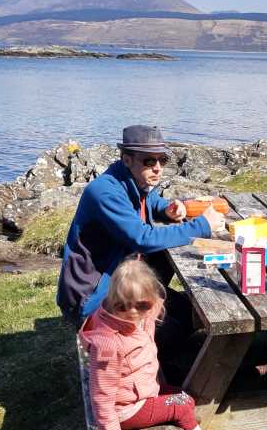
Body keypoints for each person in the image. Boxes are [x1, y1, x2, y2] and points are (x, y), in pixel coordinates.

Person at [57, 124, 226, 327]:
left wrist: (166, 209)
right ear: (127, 159)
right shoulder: (105, 191)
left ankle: (155, 307)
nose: (158, 167)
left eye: (162, 160)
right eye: (149, 160)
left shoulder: (132, 179)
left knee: (187, 311)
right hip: (93, 299)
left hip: (120, 276)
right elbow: (143, 238)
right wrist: (202, 225)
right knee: (180, 325)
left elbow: (151, 200)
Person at [79, 259, 236, 430]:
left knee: (185, 396)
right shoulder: (108, 344)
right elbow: (101, 391)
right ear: (114, 301)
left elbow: (155, 305)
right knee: (180, 405)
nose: (133, 312)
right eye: (123, 306)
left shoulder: (142, 312)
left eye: (142, 305)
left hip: (142, 389)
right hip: (126, 409)